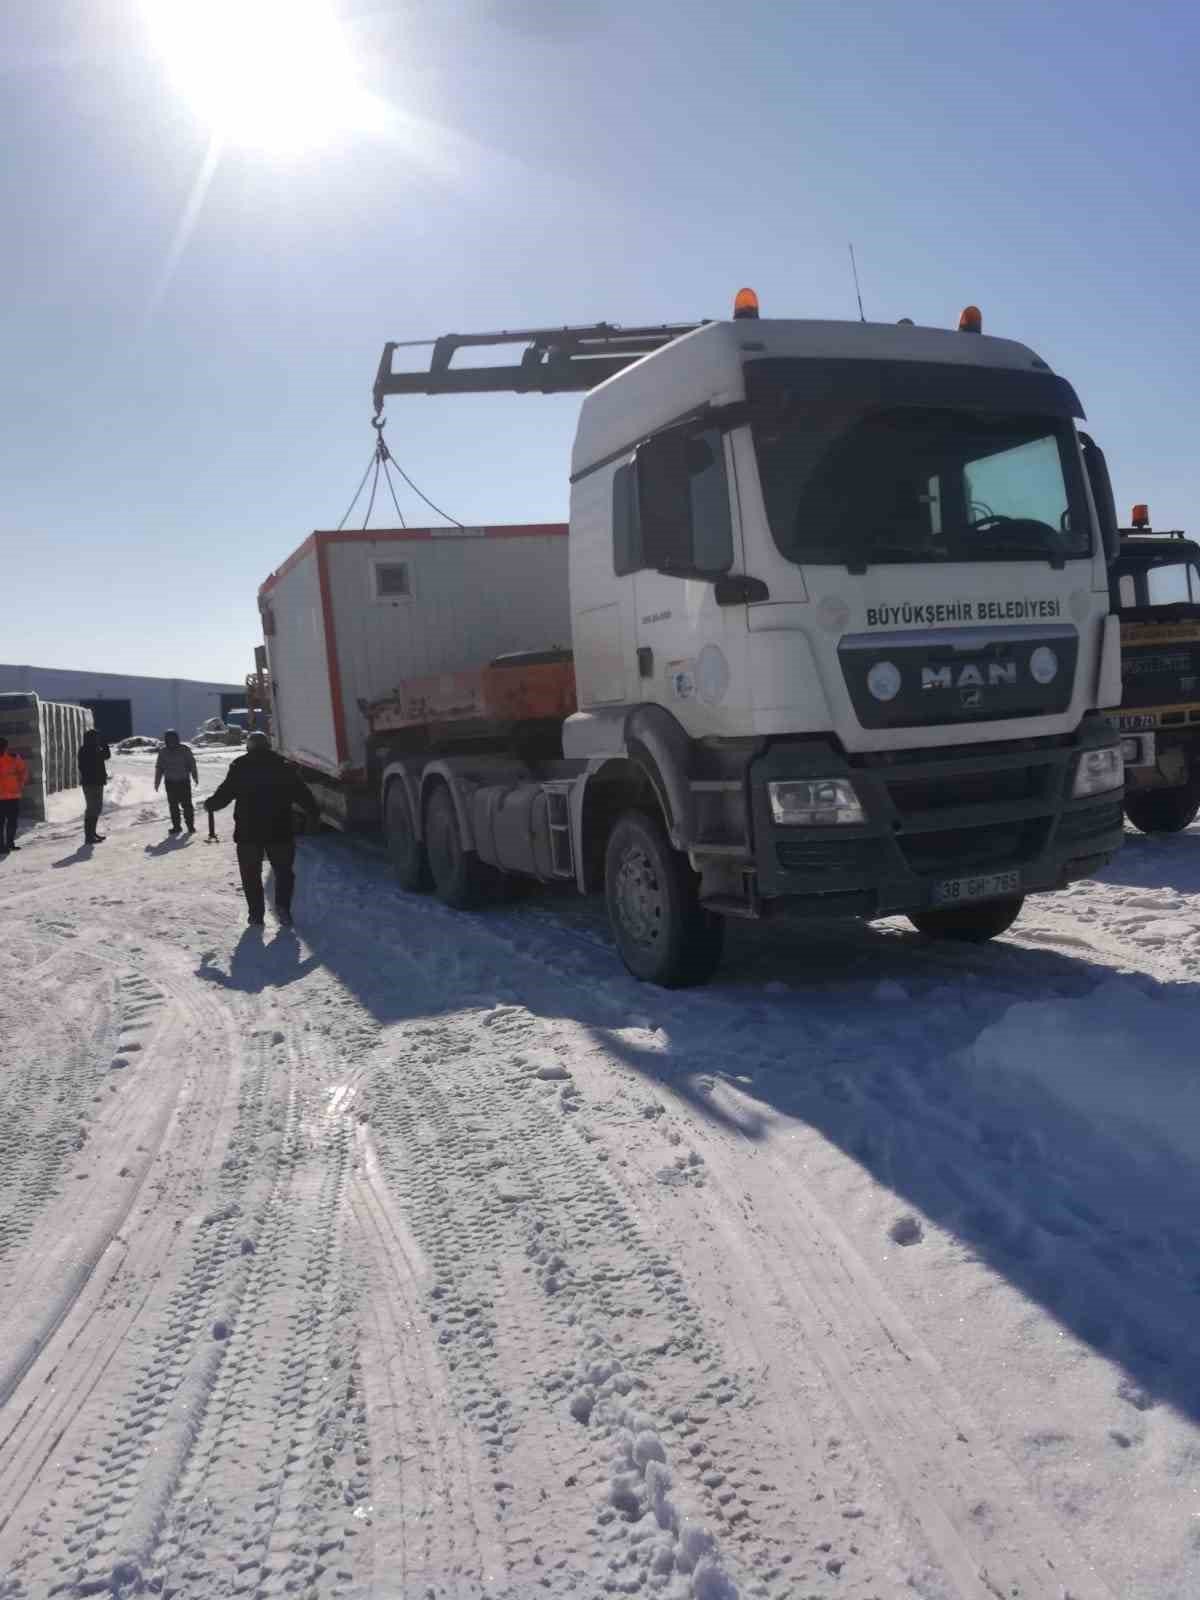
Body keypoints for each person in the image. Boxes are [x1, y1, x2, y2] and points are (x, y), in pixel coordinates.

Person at [205, 732, 319, 927]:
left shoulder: (240, 766)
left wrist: (211, 804)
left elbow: (225, 793)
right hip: (280, 829)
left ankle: (256, 915)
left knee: (250, 874)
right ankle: (283, 909)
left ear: (249, 747)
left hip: (248, 832)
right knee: (283, 872)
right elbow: (302, 792)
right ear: (268, 746)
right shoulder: (283, 766)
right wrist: (313, 812)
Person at [154, 729, 199, 834]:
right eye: (169, 740)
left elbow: (192, 764)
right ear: (166, 740)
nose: (171, 741)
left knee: (187, 805)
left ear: (177, 739)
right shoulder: (163, 752)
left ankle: (190, 826)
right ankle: (177, 827)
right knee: (173, 806)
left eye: (173, 739)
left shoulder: (184, 750)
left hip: (183, 782)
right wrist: (157, 782)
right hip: (170, 783)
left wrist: (195, 777)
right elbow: (159, 768)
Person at [78, 728, 112, 844]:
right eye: (96, 738)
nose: (98, 739)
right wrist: (103, 744)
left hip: (96, 782)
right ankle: (89, 836)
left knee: (95, 808)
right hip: (91, 783)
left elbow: (106, 756)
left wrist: (103, 744)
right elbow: (106, 755)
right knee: (93, 808)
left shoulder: (92, 749)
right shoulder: (87, 750)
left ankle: (92, 833)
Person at [0, 736, 29, 853]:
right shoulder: (14, 758)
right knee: (9, 822)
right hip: (11, 797)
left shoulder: (14, 758)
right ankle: (5, 845)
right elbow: (23, 771)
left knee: (9, 823)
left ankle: (8, 844)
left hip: (12, 796)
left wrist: (20, 783)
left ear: (5, 747)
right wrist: (20, 784)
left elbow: (23, 771)